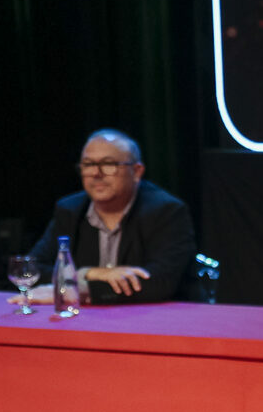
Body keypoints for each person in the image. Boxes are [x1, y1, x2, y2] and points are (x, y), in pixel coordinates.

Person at [26, 130, 195, 303]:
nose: (96, 173)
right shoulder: (70, 210)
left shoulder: (166, 211)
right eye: (88, 164)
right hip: (87, 316)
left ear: (137, 171)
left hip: (157, 316)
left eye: (109, 164)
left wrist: (79, 290)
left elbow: (160, 282)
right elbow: (30, 270)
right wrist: (90, 273)